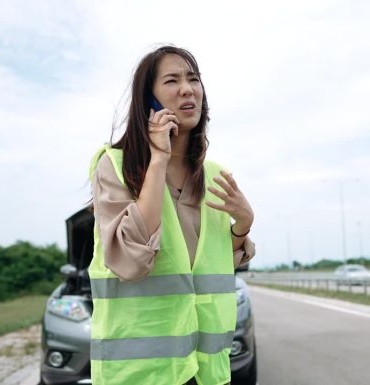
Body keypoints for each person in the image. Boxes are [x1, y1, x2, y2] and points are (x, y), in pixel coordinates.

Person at [87, 45, 255, 385]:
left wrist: (243, 225)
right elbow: (132, 260)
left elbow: (216, 265)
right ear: (148, 100)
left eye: (193, 79)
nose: (187, 88)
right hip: (140, 373)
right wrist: (158, 158)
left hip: (206, 369)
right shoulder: (115, 166)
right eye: (172, 80)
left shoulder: (215, 175)